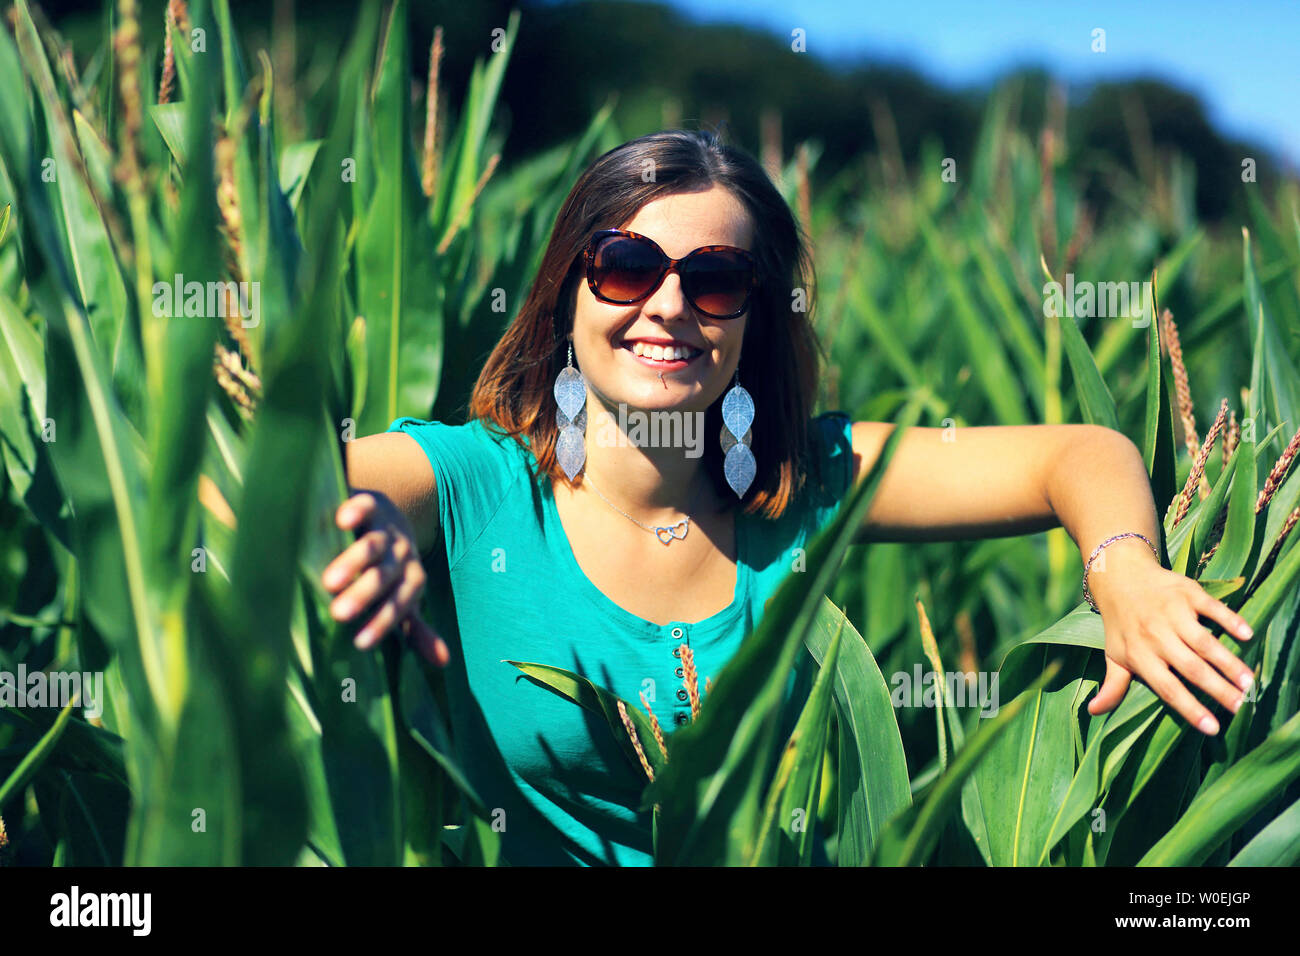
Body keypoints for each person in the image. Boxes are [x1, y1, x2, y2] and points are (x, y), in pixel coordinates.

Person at [320, 128, 1256, 866]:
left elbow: (1080, 453)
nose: (670, 305)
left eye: (717, 280)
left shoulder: (800, 481)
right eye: (626, 266)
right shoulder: (478, 484)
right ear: (569, 291)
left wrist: (1124, 571)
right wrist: (372, 532)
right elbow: (333, 481)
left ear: (752, 318)